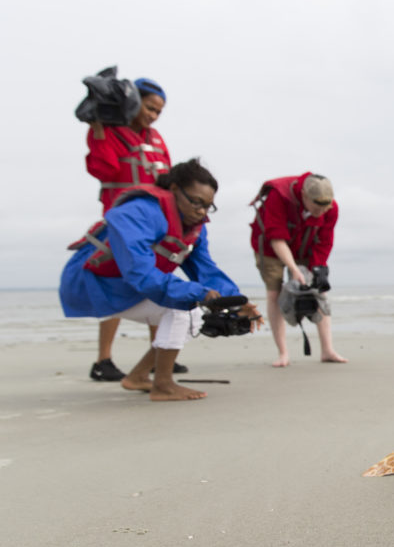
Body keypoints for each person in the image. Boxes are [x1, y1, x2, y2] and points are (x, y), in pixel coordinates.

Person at [60, 159, 262, 401]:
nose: (201, 211)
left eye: (208, 206)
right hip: (95, 285)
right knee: (182, 311)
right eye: (196, 202)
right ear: (174, 189)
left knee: (192, 315)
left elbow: (205, 269)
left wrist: (235, 301)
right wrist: (199, 294)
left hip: (128, 287)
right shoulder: (137, 212)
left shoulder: (194, 225)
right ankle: (163, 385)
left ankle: (137, 377)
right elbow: (140, 273)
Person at [84, 77, 180, 381]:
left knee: (159, 281)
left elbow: (167, 176)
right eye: (150, 108)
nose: (153, 115)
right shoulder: (107, 132)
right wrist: (99, 129)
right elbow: (104, 169)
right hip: (122, 222)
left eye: (158, 112)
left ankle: (159, 352)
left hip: (155, 222)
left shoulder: (157, 138)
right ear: (133, 102)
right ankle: (103, 360)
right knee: (114, 284)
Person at [250, 172, 347, 366]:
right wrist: (293, 268)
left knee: (319, 290)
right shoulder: (278, 196)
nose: (321, 212)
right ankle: (283, 353)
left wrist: (318, 267)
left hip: (305, 244)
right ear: (303, 195)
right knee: (274, 293)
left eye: (325, 207)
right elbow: (277, 238)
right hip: (271, 247)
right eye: (316, 207)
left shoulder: (330, 207)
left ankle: (327, 350)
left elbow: (325, 241)